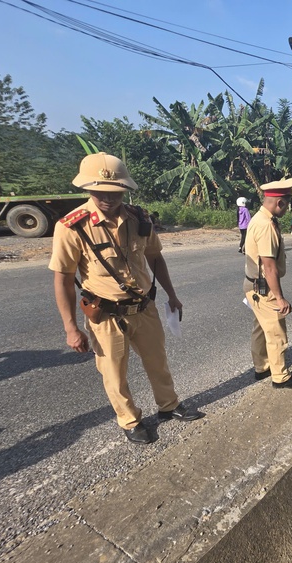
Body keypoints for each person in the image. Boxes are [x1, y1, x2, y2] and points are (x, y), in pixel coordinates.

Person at [49, 152, 203, 445]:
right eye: (100, 191)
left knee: (158, 361)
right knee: (114, 373)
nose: (108, 197)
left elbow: (155, 258)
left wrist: (172, 294)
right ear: (88, 189)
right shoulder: (72, 227)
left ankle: (168, 406)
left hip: (144, 308)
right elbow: (63, 280)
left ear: (124, 188)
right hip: (106, 315)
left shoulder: (139, 218)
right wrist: (71, 327)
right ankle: (130, 420)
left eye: (115, 191)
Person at [243, 177, 292, 389]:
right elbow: (269, 266)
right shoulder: (265, 225)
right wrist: (279, 297)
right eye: (287, 203)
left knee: (261, 329)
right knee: (276, 332)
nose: (288, 208)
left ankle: (261, 367)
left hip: (253, 285)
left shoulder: (261, 219)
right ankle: (280, 376)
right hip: (263, 288)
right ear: (279, 202)